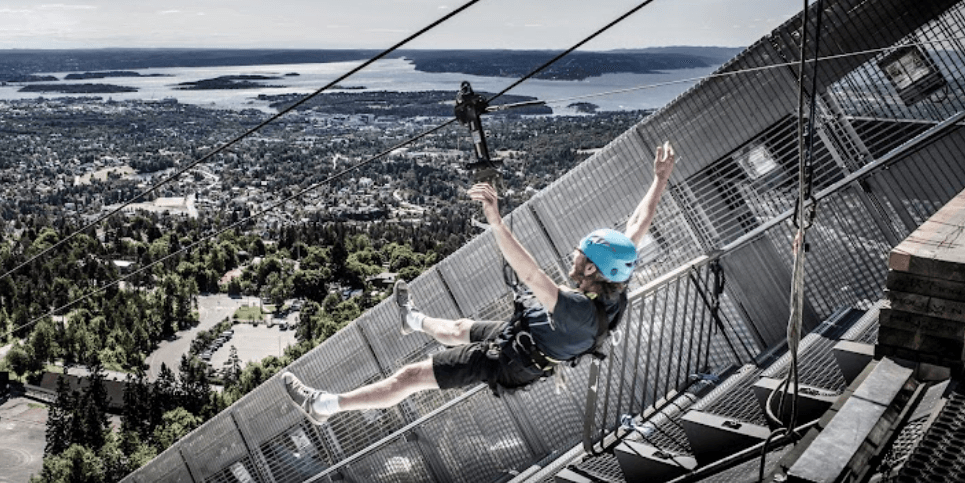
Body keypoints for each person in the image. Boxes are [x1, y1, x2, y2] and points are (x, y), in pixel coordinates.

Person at [281, 142, 675, 424]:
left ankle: (324, 405)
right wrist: (658, 180)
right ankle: (412, 320)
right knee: (457, 328)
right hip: (527, 336)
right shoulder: (613, 277)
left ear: (591, 270)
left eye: (579, 253)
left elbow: (531, 274)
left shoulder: (575, 311)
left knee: (411, 377)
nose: (573, 254)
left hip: (510, 359)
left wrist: (497, 222)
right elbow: (637, 225)